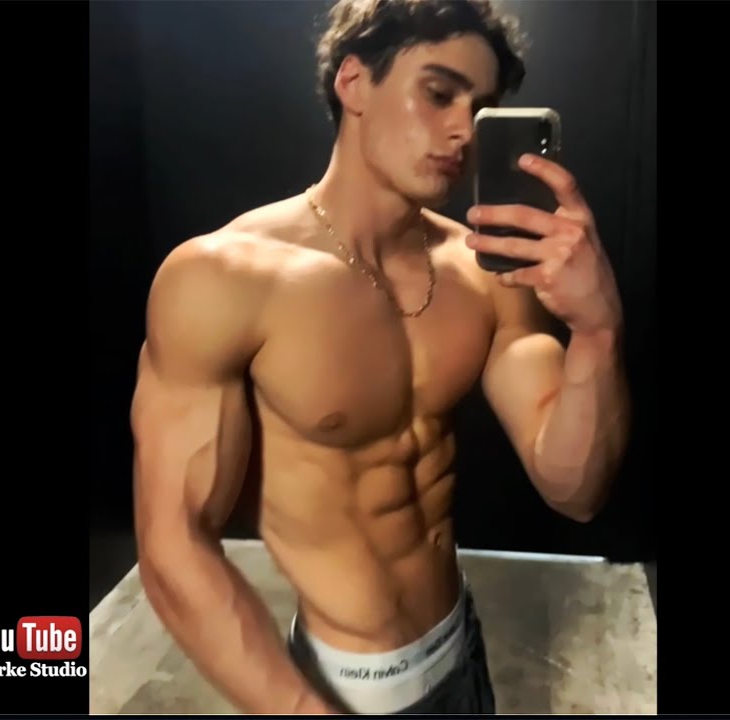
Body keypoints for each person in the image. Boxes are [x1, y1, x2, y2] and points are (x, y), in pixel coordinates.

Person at [129, 0, 629, 714]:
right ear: (354, 82)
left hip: (461, 655)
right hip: (337, 692)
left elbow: (574, 489)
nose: (463, 130)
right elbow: (173, 546)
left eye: (482, 109)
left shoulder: (481, 272)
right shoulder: (224, 279)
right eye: (439, 92)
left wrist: (598, 330)